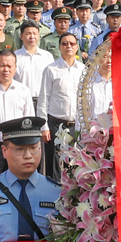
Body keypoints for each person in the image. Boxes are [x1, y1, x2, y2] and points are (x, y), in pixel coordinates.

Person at [0, 51, 47, 181]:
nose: (5, 69)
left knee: (17, 185)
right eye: (2, 65)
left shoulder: (23, 90)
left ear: (15, 68)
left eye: (9, 66)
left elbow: (28, 123)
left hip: (17, 148)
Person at [35, 33, 83, 180]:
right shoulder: (51, 69)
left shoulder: (83, 70)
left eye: (72, 43)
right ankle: (52, 196)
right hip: (55, 123)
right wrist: (44, 127)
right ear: (59, 46)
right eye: (65, 43)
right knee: (53, 164)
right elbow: (44, 99)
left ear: (77, 47)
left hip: (76, 125)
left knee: (74, 165)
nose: (69, 46)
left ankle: (71, 199)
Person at [12, 22, 53, 103]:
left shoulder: (47, 56)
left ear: (38, 36)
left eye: (35, 33)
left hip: (43, 101)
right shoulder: (15, 57)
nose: (32, 37)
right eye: (28, 33)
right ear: (21, 36)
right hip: (21, 100)